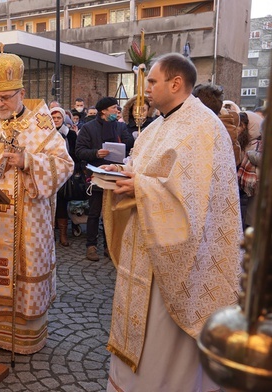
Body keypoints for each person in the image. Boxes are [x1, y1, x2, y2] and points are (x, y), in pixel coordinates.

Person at [101, 53, 241, 392]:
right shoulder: (156, 127)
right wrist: (123, 173)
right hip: (146, 249)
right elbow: (147, 171)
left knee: (166, 339)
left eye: (152, 81)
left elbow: (194, 199)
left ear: (175, 83)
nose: (145, 89)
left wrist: (141, 186)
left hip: (180, 256)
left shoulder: (202, 127)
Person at [0, 47, 73, 354]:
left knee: (25, 272)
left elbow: (64, 164)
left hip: (28, 221)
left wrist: (27, 161)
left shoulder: (42, 124)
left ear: (22, 92)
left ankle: (23, 337)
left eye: (6, 98)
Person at [75, 96, 134, 261]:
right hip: (97, 175)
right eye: (114, 107)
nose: (117, 110)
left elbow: (130, 143)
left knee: (114, 211)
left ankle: (110, 246)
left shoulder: (121, 127)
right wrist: (95, 153)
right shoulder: (88, 128)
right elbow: (79, 151)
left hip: (116, 174)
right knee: (94, 212)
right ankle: (91, 246)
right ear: (104, 110)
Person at [51, 106, 78, 247]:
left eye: (58, 118)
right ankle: (50, 234)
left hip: (64, 173)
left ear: (63, 119)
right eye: (53, 118)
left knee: (62, 204)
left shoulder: (70, 135)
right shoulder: (45, 134)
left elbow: (74, 154)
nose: (56, 120)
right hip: (49, 172)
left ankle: (62, 234)